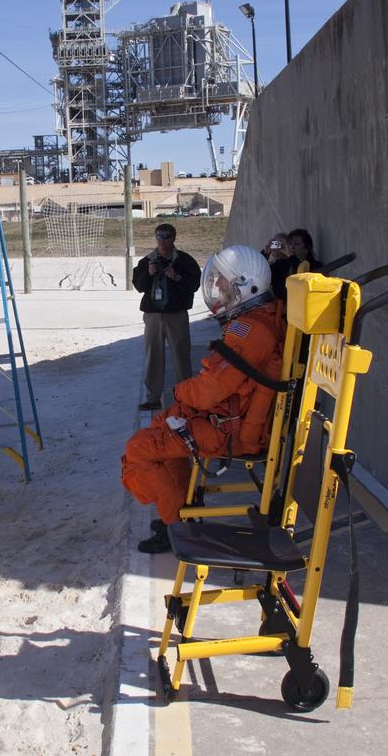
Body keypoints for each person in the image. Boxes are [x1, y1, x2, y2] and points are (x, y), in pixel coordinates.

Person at [121, 245, 285, 553]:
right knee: (163, 435)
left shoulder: (250, 331)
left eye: (223, 281)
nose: (219, 288)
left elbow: (210, 391)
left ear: (245, 285)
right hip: (228, 419)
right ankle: (180, 513)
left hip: (230, 430)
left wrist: (182, 391)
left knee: (138, 451)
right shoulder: (261, 320)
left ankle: (175, 526)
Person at [132, 223, 201, 411]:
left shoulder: (185, 261)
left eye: (167, 236)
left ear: (174, 238)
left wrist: (176, 276)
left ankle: (186, 397)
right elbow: (138, 285)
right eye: (159, 237)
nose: (162, 241)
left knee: (181, 356)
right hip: (153, 316)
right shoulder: (147, 261)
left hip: (176, 315)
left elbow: (194, 284)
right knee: (153, 355)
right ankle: (153, 398)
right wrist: (148, 274)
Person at [262, 231, 290, 298]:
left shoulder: (284, 263)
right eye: (274, 242)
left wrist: (265, 253)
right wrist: (266, 251)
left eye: (280, 243)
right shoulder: (274, 262)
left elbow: (262, 273)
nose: (277, 246)